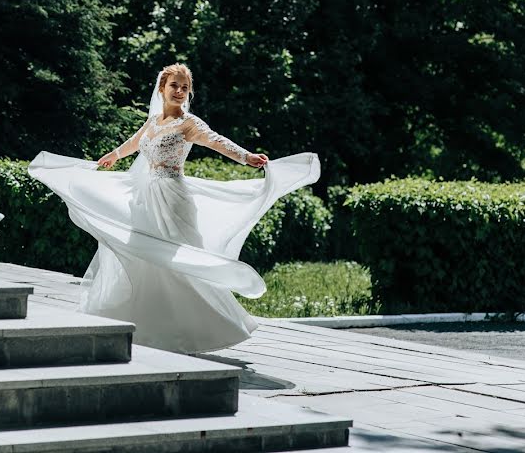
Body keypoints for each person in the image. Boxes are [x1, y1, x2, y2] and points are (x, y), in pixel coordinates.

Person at [28, 63, 320, 354]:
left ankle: (203, 327)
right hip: (143, 197)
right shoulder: (154, 121)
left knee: (177, 262)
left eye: (184, 87)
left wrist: (247, 157)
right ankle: (139, 323)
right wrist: (114, 155)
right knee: (143, 257)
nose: (179, 92)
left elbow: (216, 141)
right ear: (162, 88)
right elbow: (136, 142)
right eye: (174, 86)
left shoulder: (188, 124)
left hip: (172, 198)